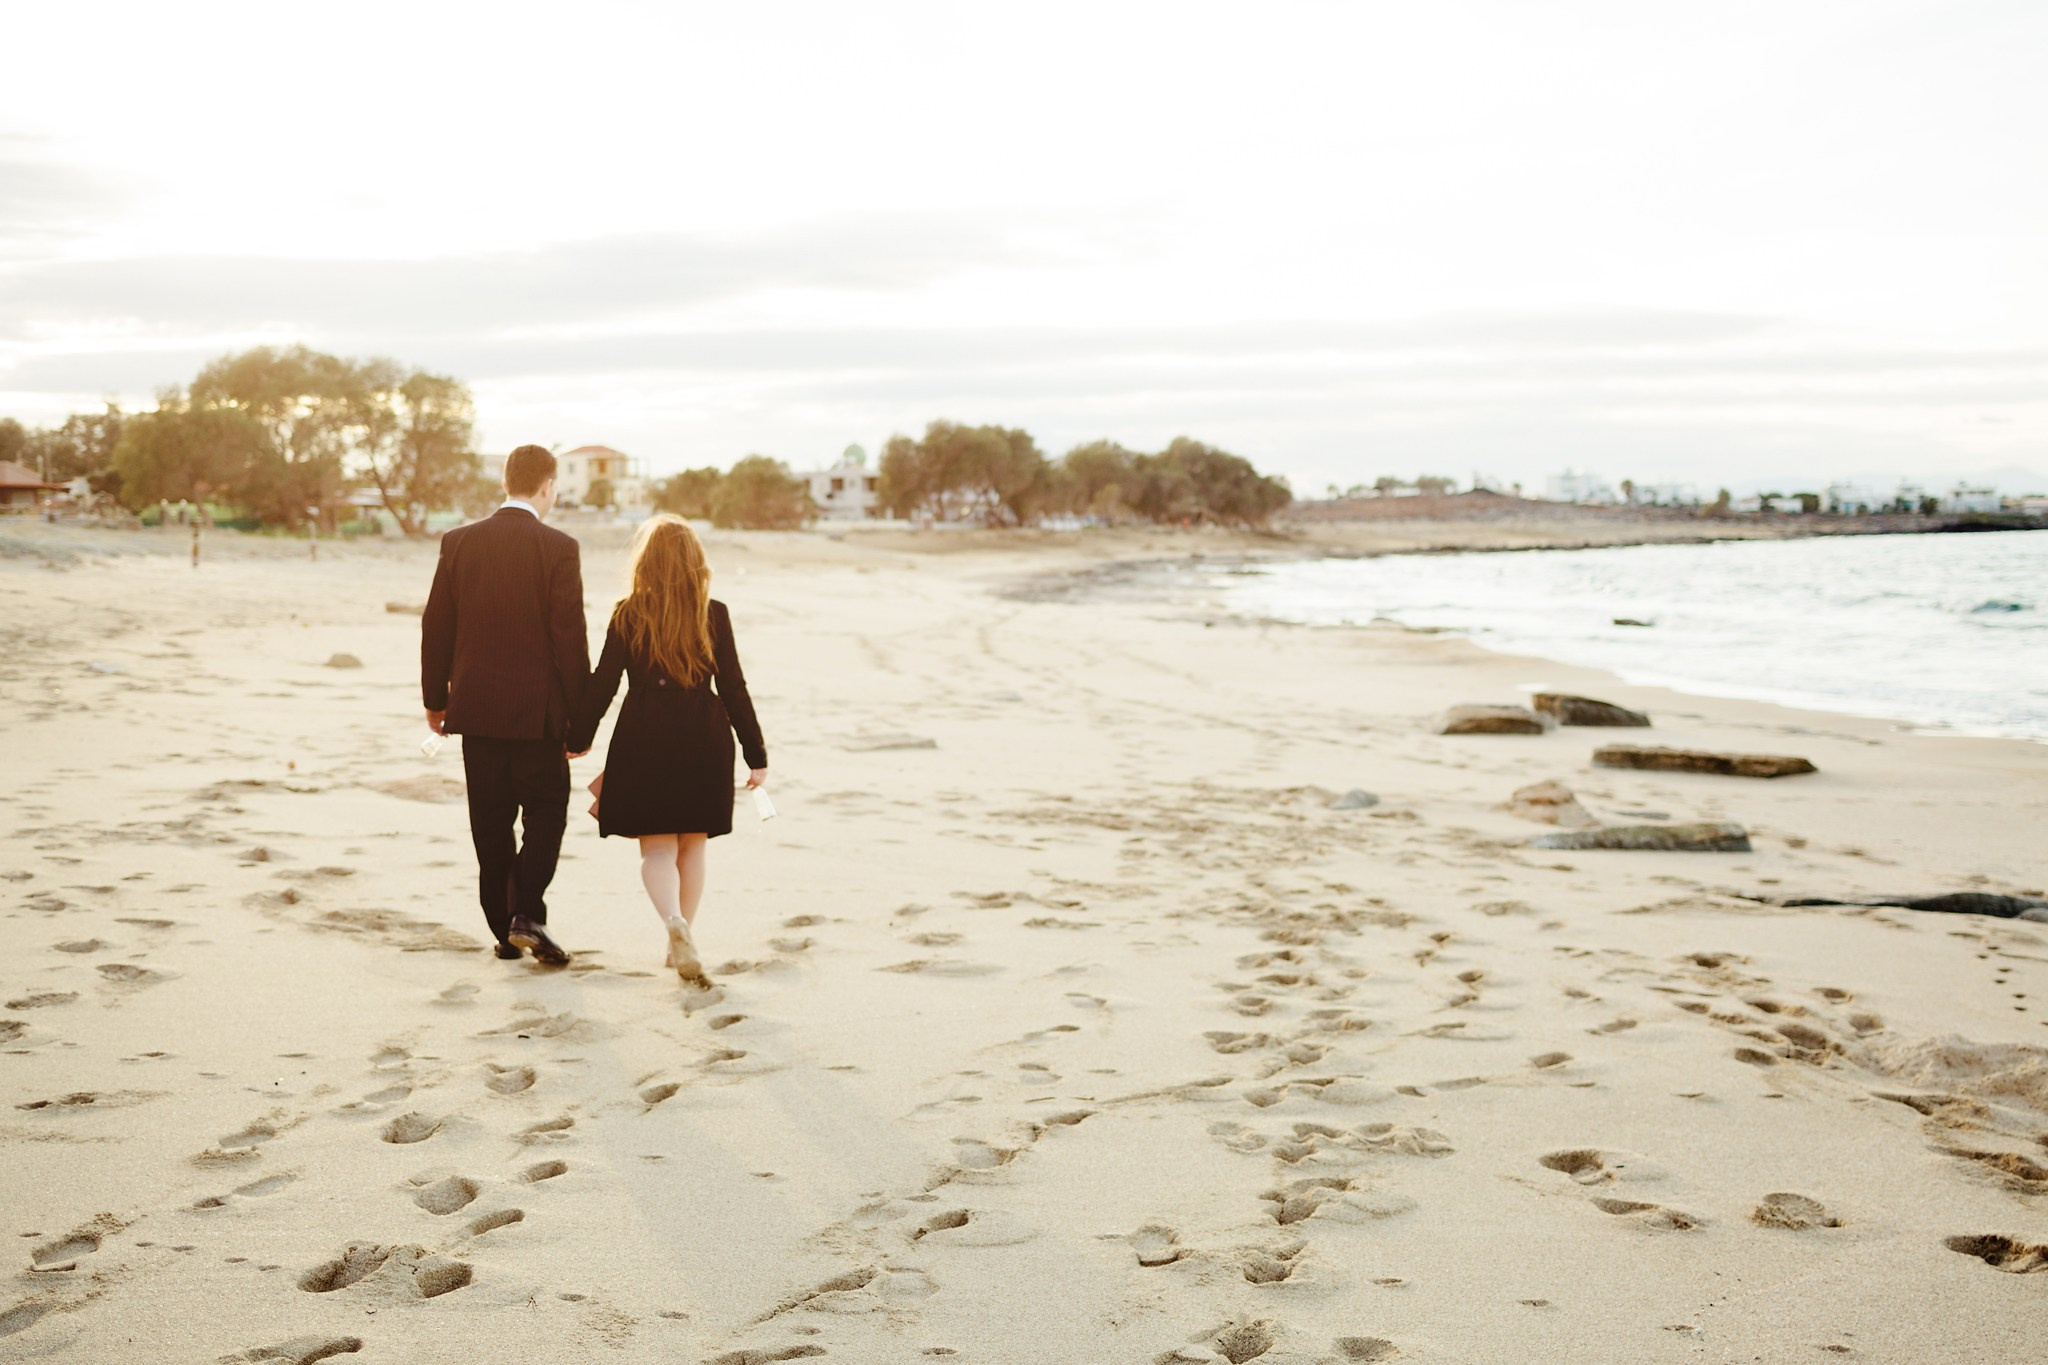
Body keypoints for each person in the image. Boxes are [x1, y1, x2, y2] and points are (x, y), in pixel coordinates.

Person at [567, 514, 766, 983]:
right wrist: (755, 755)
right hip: (704, 736)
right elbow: (734, 687)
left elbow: (603, 684)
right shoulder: (713, 613)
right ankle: (680, 944)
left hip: (644, 735)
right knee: (693, 844)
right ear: (696, 562)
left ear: (646, 562)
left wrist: (578, 738)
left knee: (656, 848)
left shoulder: (628, 612)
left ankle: (673, 922)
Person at [420, 444, 591, 965]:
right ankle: (526, 916)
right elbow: (570, 640)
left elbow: (436, 626)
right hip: (539, 716)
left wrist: (435, 700)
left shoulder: (459, 542)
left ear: (505, 482)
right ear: (547, 486)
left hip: (476, 711)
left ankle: (505, 927)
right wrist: (581, 723)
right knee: (547, 814)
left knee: (490, 823)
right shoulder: (558, 547)